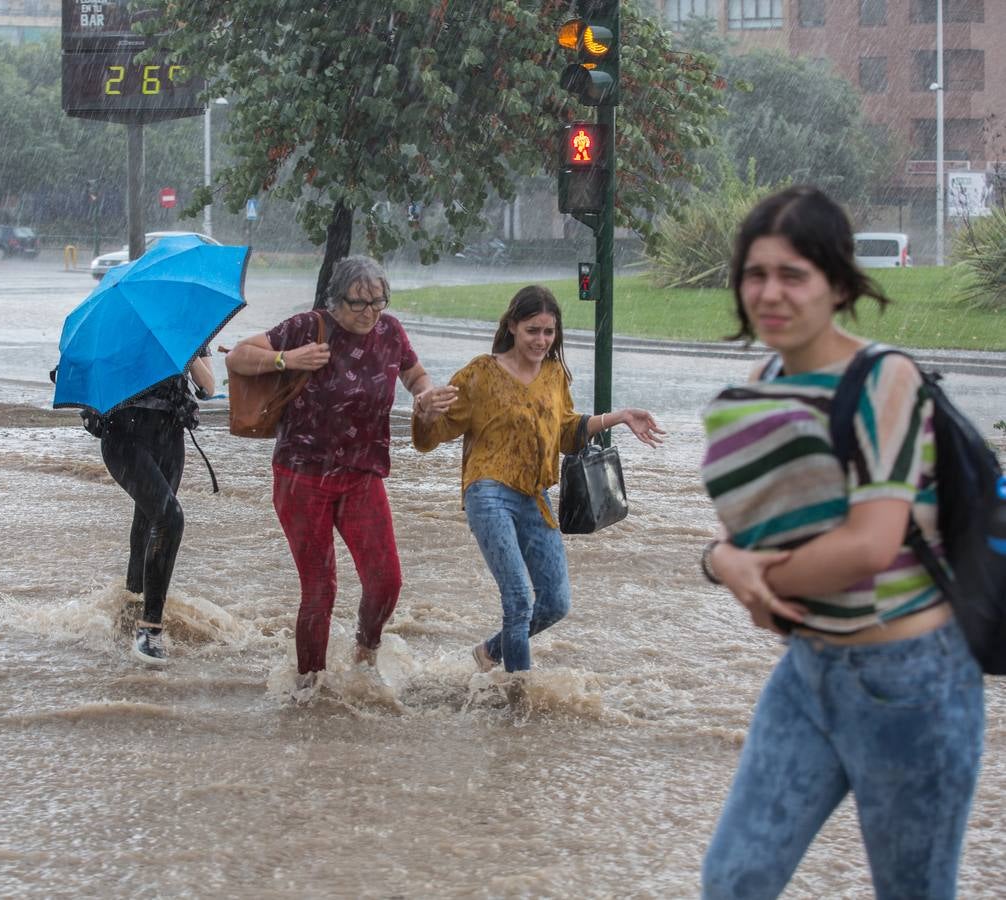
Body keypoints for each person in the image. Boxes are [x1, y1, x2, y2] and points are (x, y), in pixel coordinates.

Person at [698, 186, 984, 898]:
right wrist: (721, 561)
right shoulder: (764, 379)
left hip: (911, 683)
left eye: (793, 275)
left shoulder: (885, 378)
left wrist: (749, 575)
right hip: (808, 670)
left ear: (837, 283)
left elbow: (869, 545)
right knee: (734, 881)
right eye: (755, 274)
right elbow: (752, 534)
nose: (770, 293)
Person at [412, 285, 665, 674]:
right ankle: (519, 695)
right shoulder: (480, 373)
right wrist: (425, 414)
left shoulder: (554, 375)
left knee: (555, 603)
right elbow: (432, 437)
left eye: (549, 332)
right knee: (517, 600)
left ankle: (490, 653)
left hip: (535, 497)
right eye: (533, 330)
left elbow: (566, 432)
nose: (541, 340)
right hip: (488, 491)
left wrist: (618, 416)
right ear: (512, 326)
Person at [225, 256, 442, 690]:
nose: (370, 313)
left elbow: (415, 374)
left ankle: (366, 653)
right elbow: (238, 357)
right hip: (301, 477)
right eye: (359, 303)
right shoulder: (308, 327)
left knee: (386, 580)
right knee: (321, 589)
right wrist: (288, 359)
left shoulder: (390, 331)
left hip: (362, 475)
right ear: (335, 299)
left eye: (379, 302)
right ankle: (309, 688)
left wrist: (424, 394)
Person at [97, 353, 215, 666]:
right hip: (122, 436)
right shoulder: (120, 328)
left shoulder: (188, 331)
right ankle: (150, 629)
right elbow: (97, 381)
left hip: (169, 435)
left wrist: (185, 354)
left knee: (149, 520)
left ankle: (131, 608)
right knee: (170, 519)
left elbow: (208, 388)